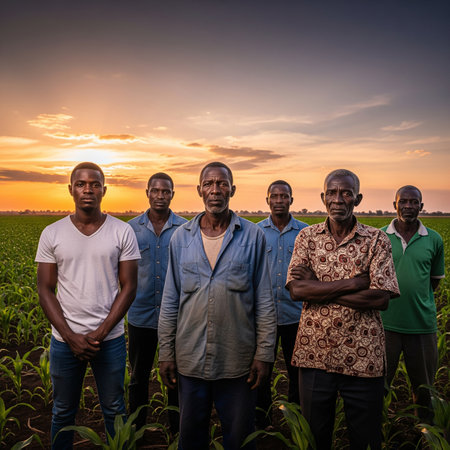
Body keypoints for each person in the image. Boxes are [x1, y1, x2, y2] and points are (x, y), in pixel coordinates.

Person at [158, 162, 277, 450]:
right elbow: (171, 299)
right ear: (199, 190)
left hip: (237, 362)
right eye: (209, 184)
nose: (215, 190)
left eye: (222, 184)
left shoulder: (252, 236)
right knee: (191, 437)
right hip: (190, 359)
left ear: (232, 190)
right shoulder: (181, 238)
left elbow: (264, 299)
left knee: (239, 437)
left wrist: (264, 354)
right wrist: (165, 352)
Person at [286, 169, 400, 450]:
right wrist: (353, 283)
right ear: (323, 197)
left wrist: (319, 288)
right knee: (315, 437)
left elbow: (380, 298)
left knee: (365, 439)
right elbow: (297, 290)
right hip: (314, 356)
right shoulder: (307, 237)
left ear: (357, 198)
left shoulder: (376, 240)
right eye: (332, 193)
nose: (338, 199)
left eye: (346, 193)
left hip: (364, 361)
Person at [35, 162, 140, 449]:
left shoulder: (121, 231)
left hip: (110, 341)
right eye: (81, 184)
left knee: (114, 409)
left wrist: (100, 333)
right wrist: (70, 336)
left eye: (94, 184)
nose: (88, 189)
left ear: (104, 190)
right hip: (64, 342)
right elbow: (45, 288)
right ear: (71, 190)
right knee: (62, 411)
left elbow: (129, 286)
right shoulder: (52, 233)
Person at [127, 173, 187, 432]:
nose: (160, 196)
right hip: (140, 316)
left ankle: (177, 429)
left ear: (172, 194)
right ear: (147, 192)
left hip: (176, 317)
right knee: (138, 377)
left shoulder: (186, 229)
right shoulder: (130, 229)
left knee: (176, 376)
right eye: (155, 191)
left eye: (166, 191)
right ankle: (137, 428)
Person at [380, 185, 445, 422]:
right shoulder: (379, 236)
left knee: (424, 389)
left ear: (421, 206)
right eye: (403, 201)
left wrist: (415, 298)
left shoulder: (434, 239)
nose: (408, 206)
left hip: (422, 326)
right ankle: (377, 433)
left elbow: (434, 281)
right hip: (384, 324)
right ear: (394, 205)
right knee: (379, 385)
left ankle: (425, 434)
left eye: (414, 202)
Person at [256, 180, 308, 428]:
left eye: (284, 196)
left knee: (296, 372)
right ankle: (262, 421)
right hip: (262, 316)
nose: (279, 201)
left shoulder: (305, 233)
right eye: (274, 196)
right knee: (261, 370)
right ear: (267, 200)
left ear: (291, 200)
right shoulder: (255, 232)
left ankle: (294, 421)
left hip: (296, 315)